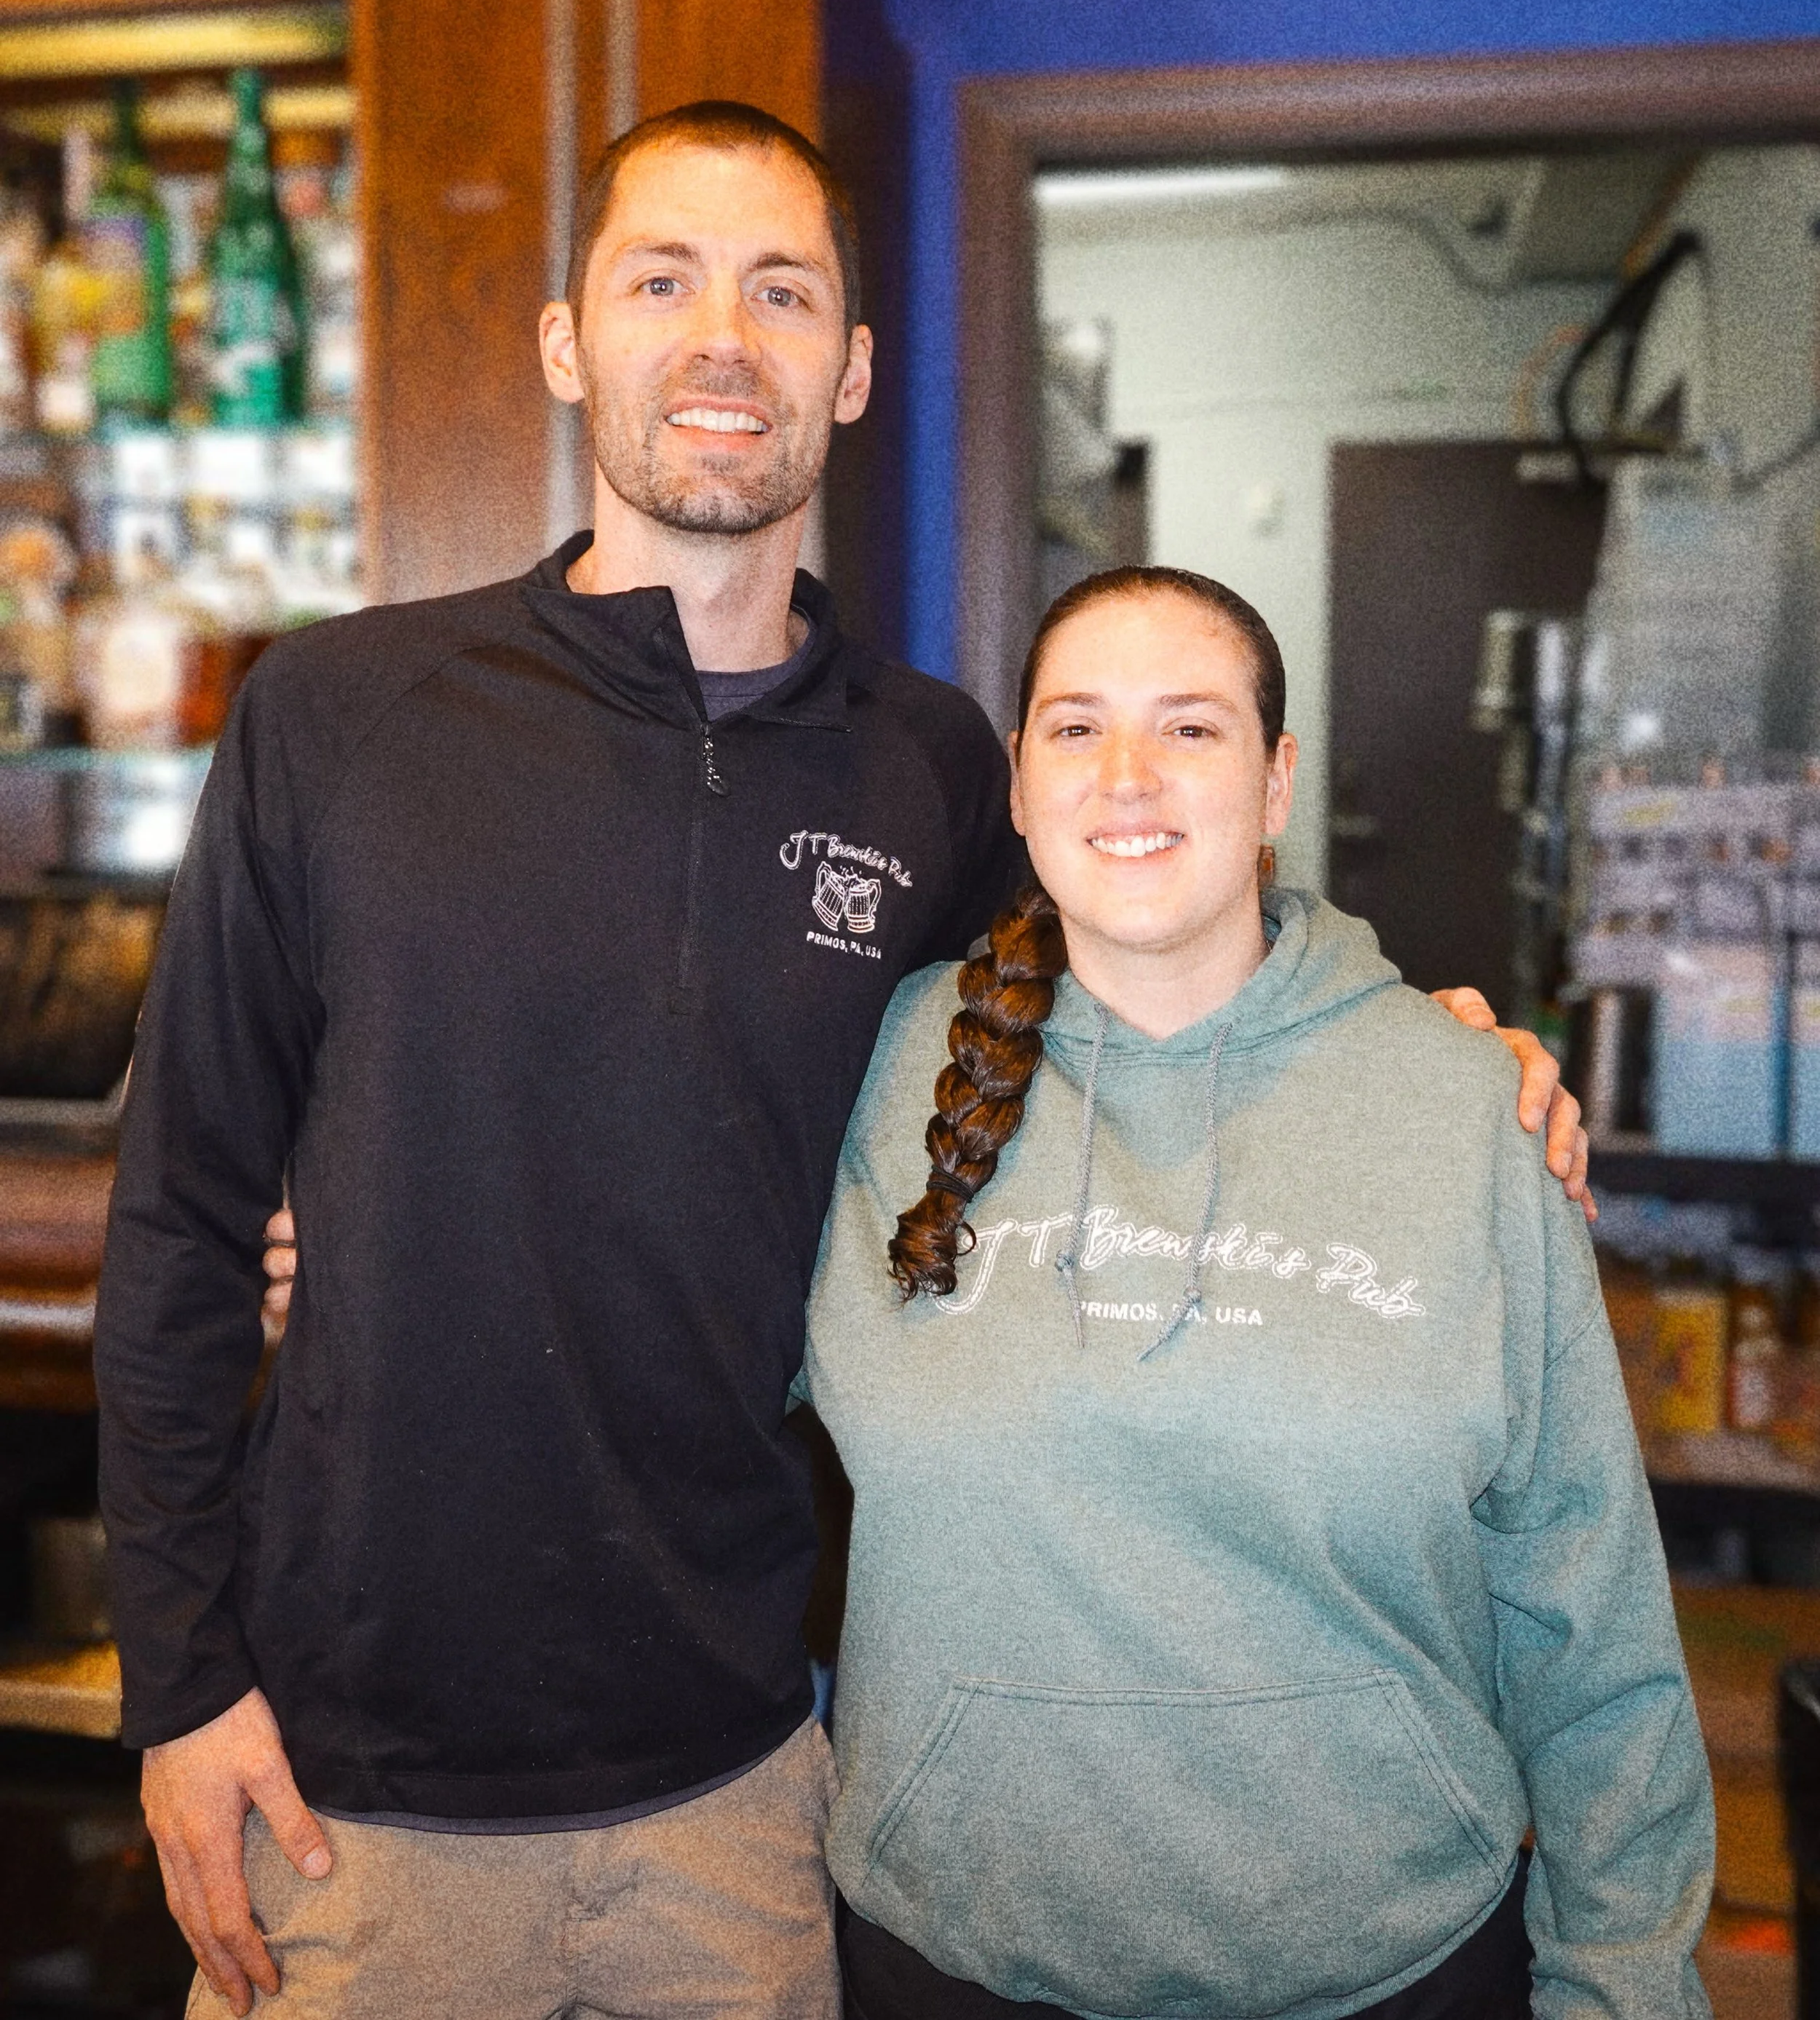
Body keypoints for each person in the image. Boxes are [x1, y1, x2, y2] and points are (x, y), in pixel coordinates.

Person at [99, 101, 1586, 2020]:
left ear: (853, 369)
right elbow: (182, 1218)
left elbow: (1133, 1005)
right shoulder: (338, 713)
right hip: (353, 1796)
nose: (722, 337)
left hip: (747, 1780)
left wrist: (1408, 1052)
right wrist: (182, 1681)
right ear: (566, 341)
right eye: (661, 281)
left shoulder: (930, 763)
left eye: (781, 292)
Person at [802, 567, 1712, 2020]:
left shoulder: (1461, 1108)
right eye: (1076, 727)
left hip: (1392, 1965)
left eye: (1191, 727)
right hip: (950, 1955)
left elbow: (1584, 1603)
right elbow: (669, 1383)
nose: (1128, 774)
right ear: (1020, 785)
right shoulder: (874, 1065)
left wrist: (1626, 1980)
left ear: (1277, 780)